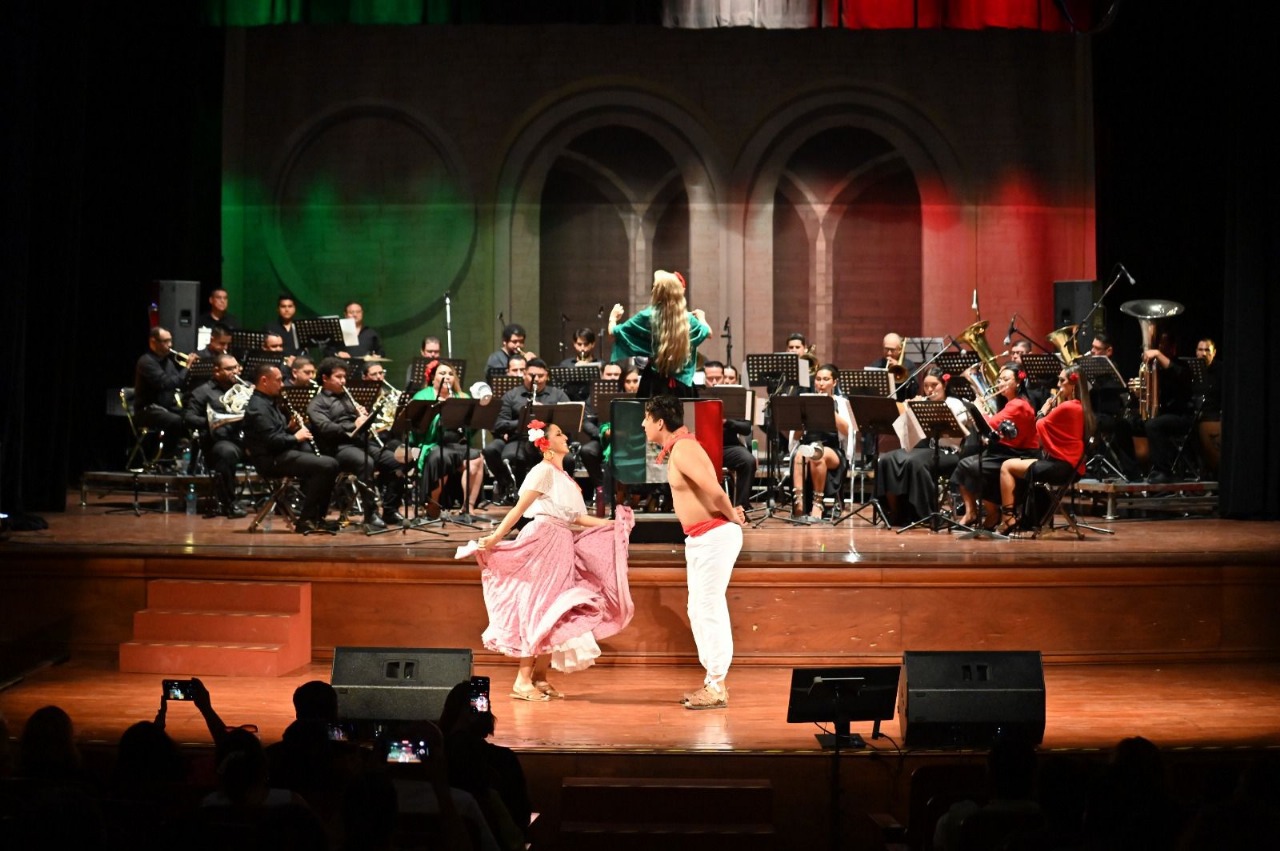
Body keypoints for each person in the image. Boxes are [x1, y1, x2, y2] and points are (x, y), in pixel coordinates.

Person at [475, 419, 634, 700]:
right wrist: (497, 536)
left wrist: (610, 525)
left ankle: (539, 676)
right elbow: (519, 509)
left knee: (555, 609)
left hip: (561, 542)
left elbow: (577, 518)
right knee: (540, 606)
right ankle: (522, 680)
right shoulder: (542, 471)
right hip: (544, 540)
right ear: (545, 443)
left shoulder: (565, 478)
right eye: (559, 434)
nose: (566, 437)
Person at [643, 395, 745, 709]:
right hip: (702, 538)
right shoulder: (680, 447)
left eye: (647, 419)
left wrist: (732, 516)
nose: (644, 425)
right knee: (698, 609)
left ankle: (717, 686)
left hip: (714, 536)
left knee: (708, 608)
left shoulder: (684, 449)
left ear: (660, 422)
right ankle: (713, 682)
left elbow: (715, 490)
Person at [242, 363, 341, 534]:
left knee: (330, 463)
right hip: (270, 460)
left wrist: (290, 429)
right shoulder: (258, 407)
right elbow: (271, 441)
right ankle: (307, 520)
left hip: (279, 454)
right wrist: (296, 437)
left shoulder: (268, 402)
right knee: (326, 465)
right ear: (264, 381)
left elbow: (276, 433)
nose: (282, 385)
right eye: (278, 380)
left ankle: (318, 518)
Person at [307, 357, 406, 528]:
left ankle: (390, 509)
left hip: (360, 443)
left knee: (399, 460)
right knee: (365, 463)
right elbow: (326, 428)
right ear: (325, 378)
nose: (343, 381)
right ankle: (371, 514)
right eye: (338, 377)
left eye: (344, 377)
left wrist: (363, 417)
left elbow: (360, 423)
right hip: (338, 448)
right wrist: (354, 424)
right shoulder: (316, 404)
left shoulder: (347, 397)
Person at [997, 364, 1093, 534]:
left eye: (1062, 380)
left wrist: (1043, 411)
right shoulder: (1080, 406)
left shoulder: (1068, 407)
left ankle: (1008, 519)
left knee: (1007, 466)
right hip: (1071, 466)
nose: (1058, 384)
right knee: (1019, 465)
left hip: (1062, 467)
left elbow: (1039, 425)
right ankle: (1026, 519)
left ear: (1073, 384)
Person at [876, 368, 977, 526]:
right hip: (926, 450)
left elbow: (960, 427)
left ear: (944, 385)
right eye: (926, 386)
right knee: (887, 459)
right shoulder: (923, 402)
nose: (929, 390)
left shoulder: (955, 403)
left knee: (916, 462)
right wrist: (909, 410)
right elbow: (906, 436)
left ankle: (924, 513)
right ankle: (895, 513)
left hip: (949, 453)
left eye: (934, 385)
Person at [950, 364, 1039, 529]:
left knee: (969, 466)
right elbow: (998, 430)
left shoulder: (1019, 404)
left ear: (1018, 383)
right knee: (967, 464)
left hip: (1019, 453)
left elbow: (990, 424)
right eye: (999, 380)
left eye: (1006, 380)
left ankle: (990, 513)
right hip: (1005, 450)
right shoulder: (1009, 403)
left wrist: (978, 409)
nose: (1001, 383)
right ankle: (973, 512)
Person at [609, 269, 711, 397]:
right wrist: (701, 318)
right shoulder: (687, 318)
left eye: (654, 287)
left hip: (653, 383)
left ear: (658, 291)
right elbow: (708, 332)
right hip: (683, 384)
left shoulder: (647, 316)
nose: (652, 290)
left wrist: (613, 318)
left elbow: (613, 333)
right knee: (684, 410)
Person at [482, 358, 572, 502]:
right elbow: (499, 423)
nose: (536, 379)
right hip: (519, 438)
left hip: (548, 441)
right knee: (515, 456)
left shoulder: (558, 395)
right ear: (524, 374)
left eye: (541, 376)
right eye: (532, 375)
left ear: (547, 376)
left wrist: (544, 417)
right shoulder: (512, 395)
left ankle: (558, 496)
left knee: (567, 459)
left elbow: (569, 421)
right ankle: (518, 494)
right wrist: (524, 421)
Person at [408, 360, 487, 514]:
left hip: (458, 445)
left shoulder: (462, 397)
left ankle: (468, 507)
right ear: (433, 378)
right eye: (442, 373)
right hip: (433, 443)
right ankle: (433, 504)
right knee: (441, 458)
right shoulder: (423, 396)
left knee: (477, 458)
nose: (447, 377)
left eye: (450, 374)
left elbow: (470, 429)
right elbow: (417, 428)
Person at [182, 352, 249, 517]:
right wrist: (211, 421)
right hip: (219, 441)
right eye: (229, 369)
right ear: (217, 371)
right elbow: (188, 418)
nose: (235, 372)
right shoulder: (202, 392)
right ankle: (229, 503)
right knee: (226, 452)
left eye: (236, 368)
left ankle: (283, 501)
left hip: (247, 440)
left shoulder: (246, 388)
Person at [789, 363, 853, 523]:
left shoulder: (842, 403)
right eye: (818, 379)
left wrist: (827, 407)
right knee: (799, 455)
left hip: (832, 449)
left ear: (834, 382)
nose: (821, 383)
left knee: (817, 455)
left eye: (825, 379)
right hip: (808, 445)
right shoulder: (805, 401)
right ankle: (799, 506)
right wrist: (802, 417)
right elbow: (796, 435)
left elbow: (848, 431)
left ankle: (817, 505)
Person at [1140, 333, 1198, 483]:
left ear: (1173, 348)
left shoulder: (1183, 367)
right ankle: (1133, 470)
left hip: (1182, 416)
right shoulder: (1155, 368)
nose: (1160, 348)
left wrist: (1158, 354)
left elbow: (1178, 374)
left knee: (1153, 425)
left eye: (1164, 346)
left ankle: (1163, 471)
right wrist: (1139, 391)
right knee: (1126, 424)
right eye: (1159, 345)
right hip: (1161, 415)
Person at [703, 360, 757, 508]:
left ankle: (741, 507)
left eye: (718, 378)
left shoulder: (735, 398)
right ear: (704, 378)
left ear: (723, 377)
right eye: (710, 378)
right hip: (702, 448)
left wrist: (727, 422)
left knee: (748, 460)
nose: (714, 382)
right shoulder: (697, 394)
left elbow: (746, 428)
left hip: (727, 447)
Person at [134, 326, 191, 440]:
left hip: (166, 407)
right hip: (147, 410)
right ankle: (170, 450)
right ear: (153, 342)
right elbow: (166, 384)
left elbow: (179, 383)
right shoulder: (146, 362)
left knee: (192, 417)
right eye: (165, 341)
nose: (170, 345)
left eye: (170, 341)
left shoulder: (168, 362)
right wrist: (188, 368)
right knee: (175, 420)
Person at [869, 332, 918, 401]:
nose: (889, 353)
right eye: (886, 349)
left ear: (900, 350)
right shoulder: (876, 365)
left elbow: (913, 392)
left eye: (892, 350)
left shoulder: (909, 366)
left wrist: (900, 369)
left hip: (901, 403)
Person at [264, 294, 304, 362]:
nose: (287, 309)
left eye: (290, 306)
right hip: (277, 363)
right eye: (283, 306)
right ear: (278, 309)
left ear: (295, 308)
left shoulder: (301, 327)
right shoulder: (270, 327)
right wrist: (286, 361)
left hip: (298, 363)